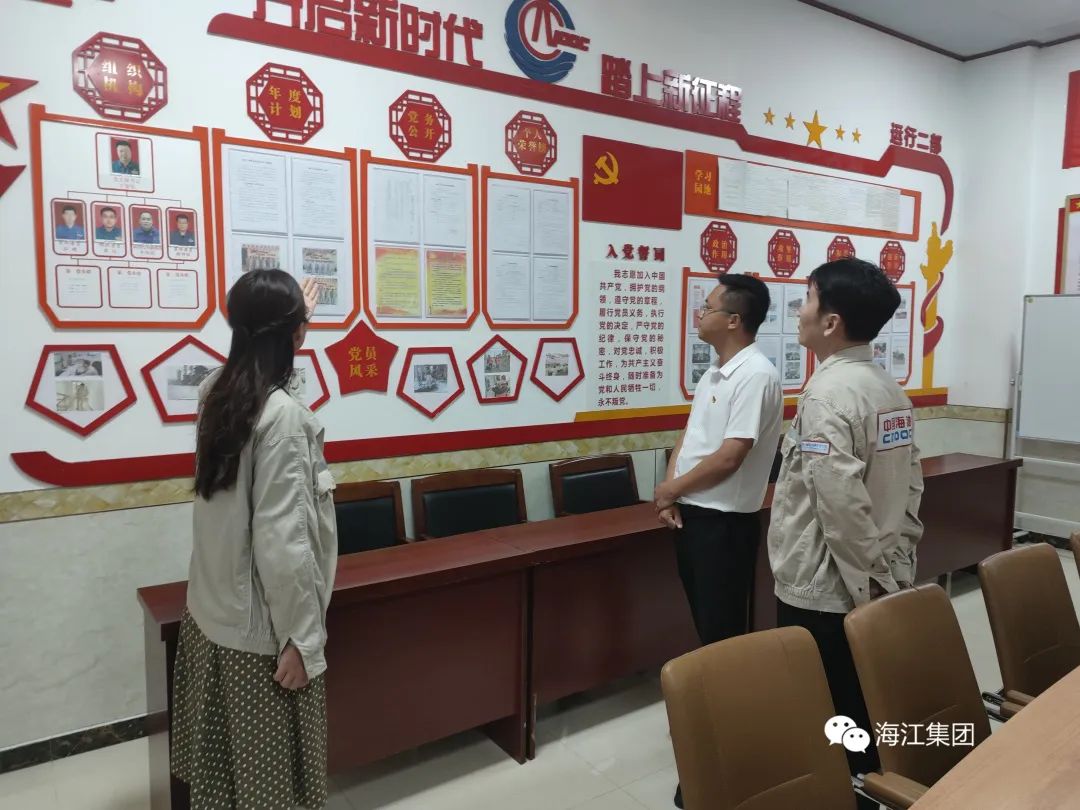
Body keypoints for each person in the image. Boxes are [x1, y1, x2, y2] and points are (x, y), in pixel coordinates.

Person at [172, 270, 337, 810]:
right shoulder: (282, 419)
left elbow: (267, 377)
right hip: (262, 638)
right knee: (270, 791)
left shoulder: (216, 393)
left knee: (225, 785)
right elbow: (285, 546)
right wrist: (303, 641)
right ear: (294, 335)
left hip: (213, 617)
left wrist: (292, 320)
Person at [767, 258, 924, 809]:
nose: (799, 311)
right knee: (862, 695)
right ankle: (868, 781)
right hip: (876, 575)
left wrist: (868, 585)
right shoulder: (886, 387)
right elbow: (911, 485)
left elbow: (840, 506)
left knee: (831, 706)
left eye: (807, 299)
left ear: (831, 322)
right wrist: (894, 566)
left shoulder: (827, 396)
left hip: (828, 588)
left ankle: (845, 793)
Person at [654, 273, 783, 809]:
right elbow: (690, 438)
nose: (698, 315)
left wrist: (671, 489)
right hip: (696, 516)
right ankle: (713, 738)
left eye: (706, 308)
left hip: (724, 525)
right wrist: (670, 491)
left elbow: (731, 455)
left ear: (733, 319)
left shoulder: (755, 374)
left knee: (724, 638)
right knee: (710, 632)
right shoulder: (716, 372)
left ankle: (730, 754)